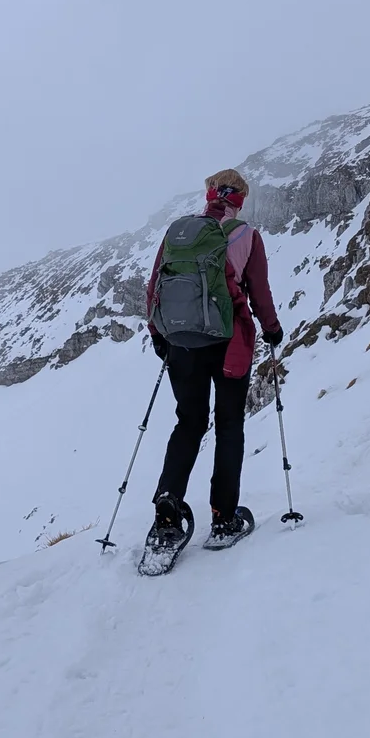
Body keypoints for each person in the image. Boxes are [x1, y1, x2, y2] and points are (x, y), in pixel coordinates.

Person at [145, 168, 283, 547]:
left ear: (208, 194)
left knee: (188, 424)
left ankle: (167, 509)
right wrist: (271, 328)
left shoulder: (180, 231)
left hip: (181, 342)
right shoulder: (246, 236)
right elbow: (259, 292)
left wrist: (160, 334)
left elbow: (156, 282)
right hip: (229, 345)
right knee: (228, 427)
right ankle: (223, 519)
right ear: (240, 199)